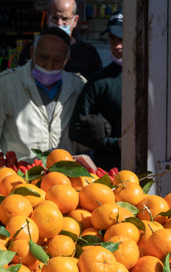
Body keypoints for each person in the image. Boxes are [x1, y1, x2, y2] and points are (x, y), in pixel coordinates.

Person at [0, 27, 86, 161]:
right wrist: (1, 170)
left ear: (66, 60)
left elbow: (80, 142)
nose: (49, 65)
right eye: (44, 57)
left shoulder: (77, 86)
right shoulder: (5, 84)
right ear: (33, 53)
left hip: (62, 175)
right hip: (17, 176)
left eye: (57, 60)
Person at [69, 10, 123, 171]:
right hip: (109, 171)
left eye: (123, 39)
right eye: (113, 39)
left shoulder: (157, 78)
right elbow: (76, 129)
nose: (118, 45)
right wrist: (114, 143)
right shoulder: (99, 81)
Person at [18, 0, 102, 80]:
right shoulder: (31, 50)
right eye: (55, 18)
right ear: (48, 18)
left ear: (75, 20)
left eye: (65, 19)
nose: (59, 23)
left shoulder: (88, 53)